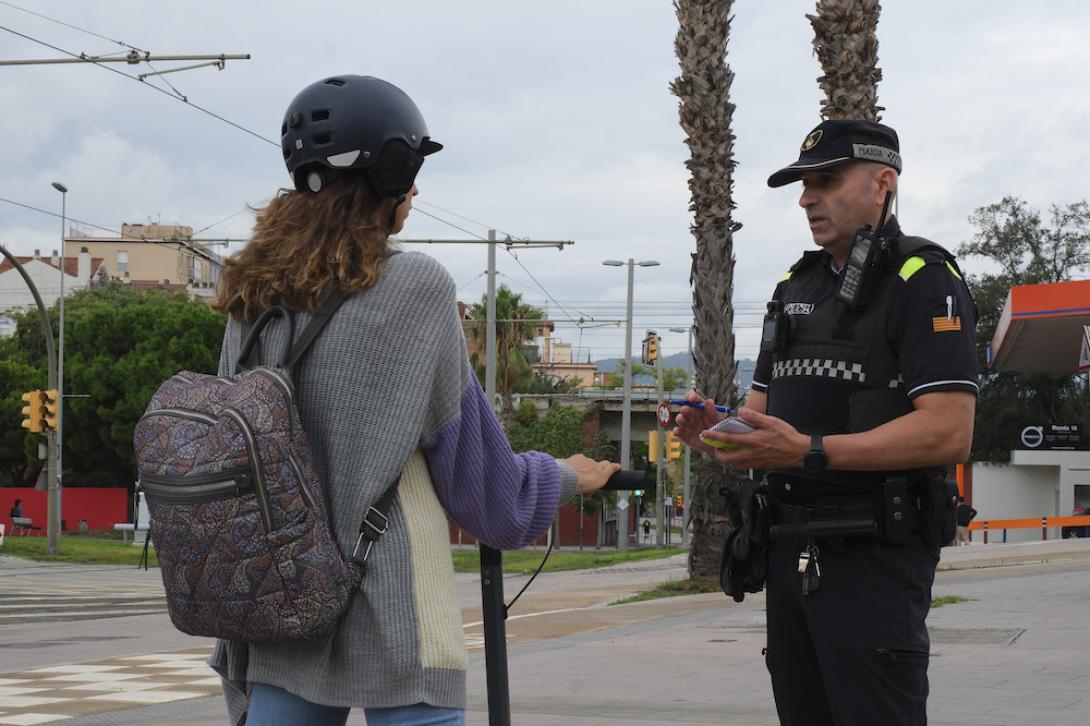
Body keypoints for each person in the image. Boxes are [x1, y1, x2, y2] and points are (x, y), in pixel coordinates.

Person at [207, 74, 619, 726]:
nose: (418, 189)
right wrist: (571, 476)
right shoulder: (416, 287)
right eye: (413, 169)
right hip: (392, 611)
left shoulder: (249, 297)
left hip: (276, 611)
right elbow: (487, 490)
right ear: (388, 172)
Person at [674, 119, 978, 726]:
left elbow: (950, 431)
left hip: (873, 559)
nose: (807, 197)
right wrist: (718, 433)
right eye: (804, 184)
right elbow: (762, 422)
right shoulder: (795, 284)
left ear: (882, 184)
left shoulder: (924, 280)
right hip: (788, 552)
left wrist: (810, 451)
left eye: (826, 180)